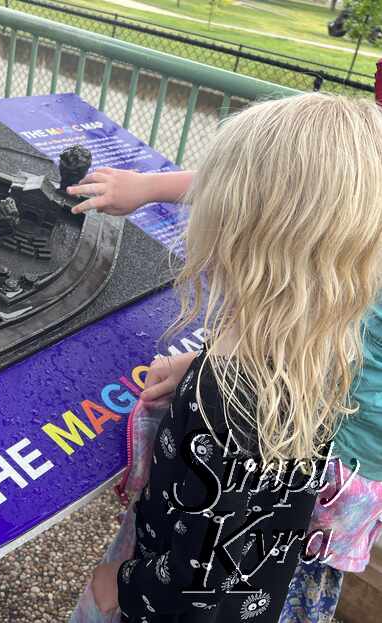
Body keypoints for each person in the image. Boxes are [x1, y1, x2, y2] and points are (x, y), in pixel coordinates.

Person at [66, 93, 382, 623]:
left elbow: (207, 582)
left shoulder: (232, 403)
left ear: (242, 233)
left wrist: (119, 589)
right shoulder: (315, 368)